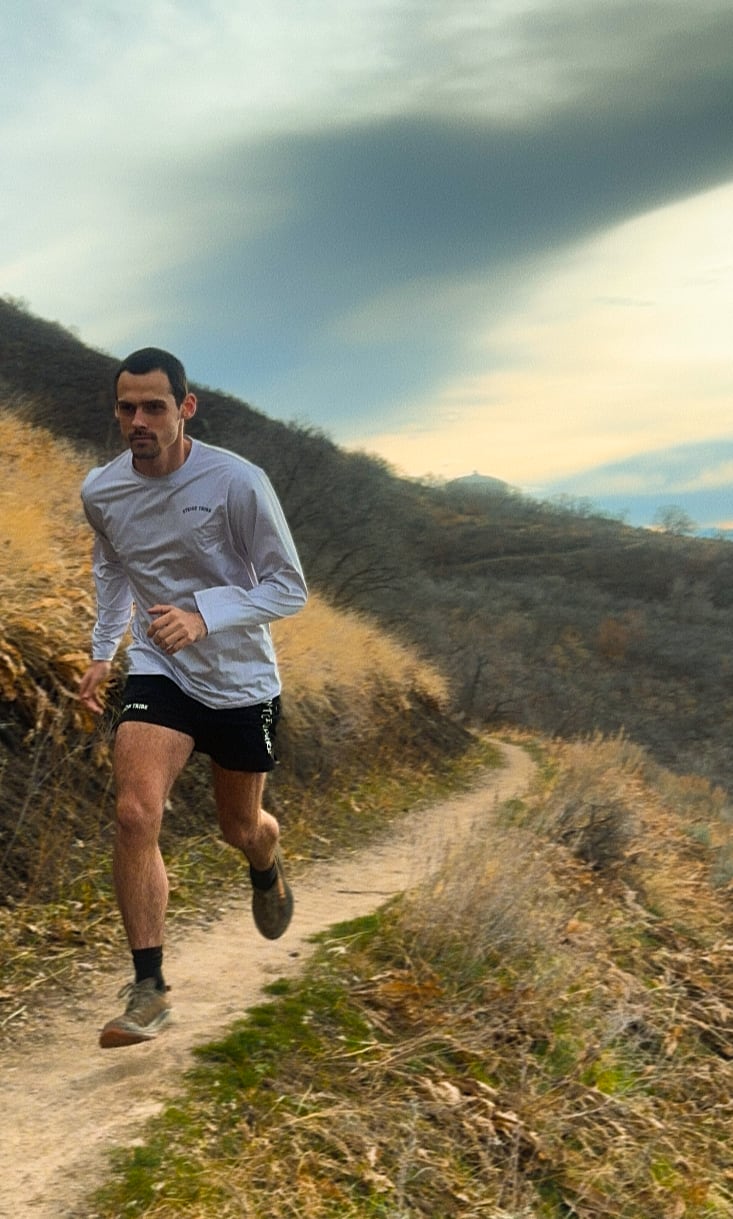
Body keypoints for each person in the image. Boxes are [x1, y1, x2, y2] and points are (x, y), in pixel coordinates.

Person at [78, 347, 307, 1049]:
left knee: (241, 827)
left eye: (153, 406)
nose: (138, 420)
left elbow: (287, 586)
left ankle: (264, 864)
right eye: (126, 407)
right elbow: (114, 568)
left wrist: (205, 614)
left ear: (186, 407)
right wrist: (100, 651)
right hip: (160, 669)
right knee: (133, 811)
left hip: (240, 682)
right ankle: (149, 987)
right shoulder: (102, 491)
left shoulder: (237, 482)